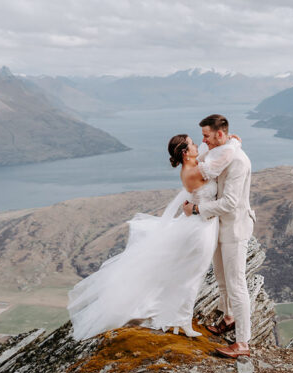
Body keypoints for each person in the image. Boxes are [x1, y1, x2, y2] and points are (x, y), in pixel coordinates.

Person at [67, 133, 241, 341]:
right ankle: (181, 321)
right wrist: (233, 144)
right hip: (200, 230)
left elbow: (207, 155)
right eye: (193, 143)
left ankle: (176, 316)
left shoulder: (193, 164)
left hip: (204, 225)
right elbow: (219, 164)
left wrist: (215, 142)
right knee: (193, 275)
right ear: (186, 152)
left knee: (189, 273)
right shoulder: (194, 172)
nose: (198, 144)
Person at [183, 113, 255, 359]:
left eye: (207, 136)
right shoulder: (222, 152)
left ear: (220, 134)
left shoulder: (238, 162)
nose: (205, 141)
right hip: (218, 227)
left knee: (237, 285)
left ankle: (243, 343)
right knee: (223, 280)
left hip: (234, 229)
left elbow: (230, 203)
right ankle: (228, 318)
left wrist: (196, 209)